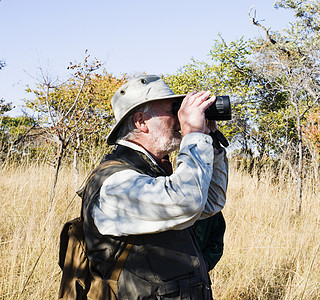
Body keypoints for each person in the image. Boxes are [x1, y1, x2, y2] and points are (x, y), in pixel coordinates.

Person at [81, 75, 228, 299]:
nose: (180, 118)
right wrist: (194, 135)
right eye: (174, 110)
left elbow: (210, 202)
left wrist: (210, 142)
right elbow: (187, 203)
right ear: (141, 121)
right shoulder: (114, 183)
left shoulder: (153, 172)